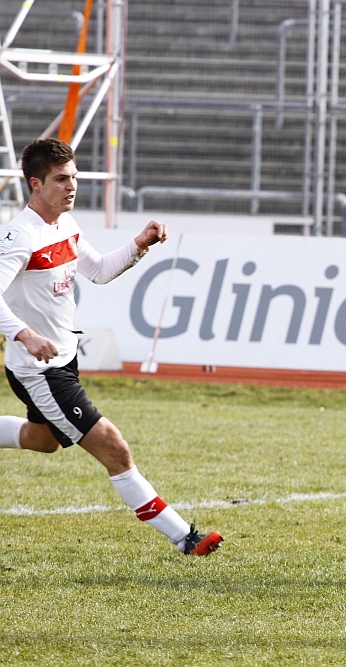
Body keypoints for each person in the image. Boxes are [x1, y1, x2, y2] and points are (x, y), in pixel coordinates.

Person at [0, 138, 222, 556]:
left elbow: (99, 271)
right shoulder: (19, 237)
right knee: (114, 448)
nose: (72, 186)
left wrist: (139, 244)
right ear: (35, 184)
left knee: (43, 439)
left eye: (74, 177)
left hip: (63, 360)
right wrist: (24, 334)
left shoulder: (66, 226)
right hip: (38, 370)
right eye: (61, 179)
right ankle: (185, 537)